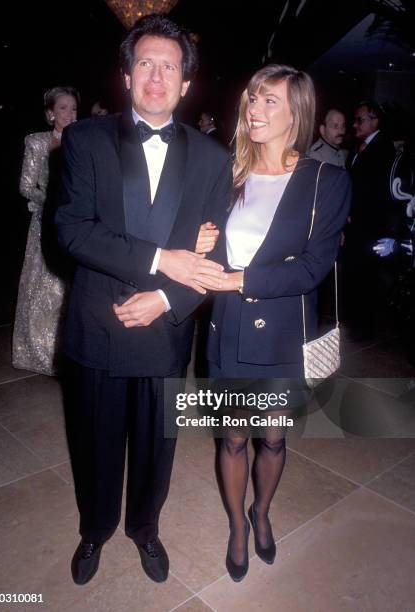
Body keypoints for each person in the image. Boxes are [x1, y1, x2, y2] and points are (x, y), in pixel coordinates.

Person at [55, 14, 231, 586]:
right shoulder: (85, 139)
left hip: (167, 329)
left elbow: (216, 252)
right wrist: (160, 260)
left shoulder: (212, 158)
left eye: (170, 66)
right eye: (146, 63)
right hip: (98, 323)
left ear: (186, 85)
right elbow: (73, 231)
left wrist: (167, 297)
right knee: (94, 442)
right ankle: (95, 529)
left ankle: (145, 530)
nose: (157, 75)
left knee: (158, 446)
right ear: (127, 76)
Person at [197, 64, 351, 581]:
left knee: (273, 439)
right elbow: (206, 245)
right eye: (252, 99)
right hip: (228, 328)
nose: (254, 110)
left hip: (284, 332)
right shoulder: (226, 173)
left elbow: (312, 268)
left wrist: (239, 280)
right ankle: (238, 526)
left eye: (269, 102)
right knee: (233, 439)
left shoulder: (325, 181)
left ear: (296, 114)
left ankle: (262, 512)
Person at [12, 86, 79, 375]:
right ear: (51, 113)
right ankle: (39, 353)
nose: (70, 113)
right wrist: (53, 203)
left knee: (70, 291)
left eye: (74, 108)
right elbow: (26, 186)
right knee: (43, 289)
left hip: (77, 227)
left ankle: (69, 352)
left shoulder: (85, 140)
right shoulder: (37, 142)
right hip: (46, 225)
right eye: (63, 108)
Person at [343, 100, 399, 336]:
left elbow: (379, 193)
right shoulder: (359, 148)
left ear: (375, 121)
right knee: (355, 275)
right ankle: (354, 322)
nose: (354, 125)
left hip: (372, 226)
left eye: (360, 120)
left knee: (366, 277)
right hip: (356, 224)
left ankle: (363, 327)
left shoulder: (384, 149)